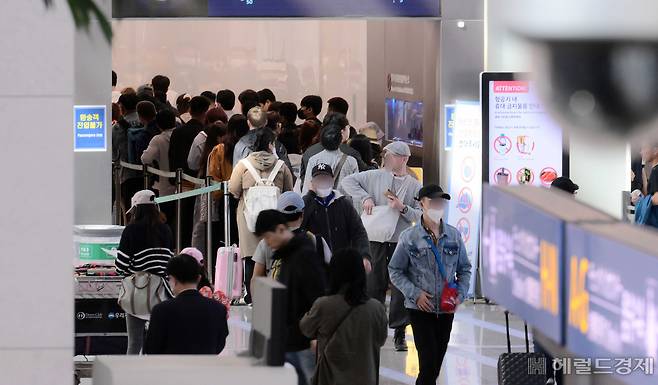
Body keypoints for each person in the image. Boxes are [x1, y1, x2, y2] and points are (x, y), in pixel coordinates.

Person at [341, 141, 422, 352]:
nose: (387, 159)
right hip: (375, 238)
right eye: (386, 155)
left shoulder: (414, 186)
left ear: (404, 159)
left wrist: (403, 208)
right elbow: (347, 182)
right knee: (373, 283)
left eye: (392, 156)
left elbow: (421, 214)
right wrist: (365, 197)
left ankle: (399, 331)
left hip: (400, 241)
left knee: (400, 286)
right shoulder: (374, 176)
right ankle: (371, 327)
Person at [388, 184, 472, 385]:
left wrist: (459, 295)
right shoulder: (409, 237)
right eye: (433, 201)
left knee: (435, 365)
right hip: (420, 310)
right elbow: (395, 270)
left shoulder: (453, 235)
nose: (438, 205)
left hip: (445, 310)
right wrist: (415, 293)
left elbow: (465, 269)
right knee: (427, 364)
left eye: (441, 202)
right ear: (422, 203)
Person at [254, 210, 326, 385]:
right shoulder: (288, 256)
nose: (267, 243)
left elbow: (317, 297)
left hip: (303, 342)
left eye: (267, 237)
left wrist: (316, 335)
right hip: (289, 340)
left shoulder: (304, 256)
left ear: (280, 229)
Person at [300, 248, 387, 385]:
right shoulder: (377, 308)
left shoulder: (324, 305)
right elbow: (380, 339)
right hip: (365, 377)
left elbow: (306, 328)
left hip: (330, 378)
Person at [229, 128, 294, 304]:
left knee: (250, 256)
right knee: (275, 256)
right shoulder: (281, 166)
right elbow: (289, 191)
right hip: (276, 220)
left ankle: (251, 296)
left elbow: (233, 189)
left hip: (248, 218)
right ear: (271, 145)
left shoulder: (243, 165)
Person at [115, 190, 175, 355]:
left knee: (134, 343)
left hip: (137, 292)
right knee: (159, 342)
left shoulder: (131, 231)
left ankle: (129, 378)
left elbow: (121, 265)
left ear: (136, 209)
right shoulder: (166, 230)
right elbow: (170, 261)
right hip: (161, 293)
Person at [144, 254, 229, 355]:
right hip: (206, 368)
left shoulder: (161, 310)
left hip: (170, 368)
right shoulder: (218, 309)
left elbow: (151, 349)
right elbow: (219, 344)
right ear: (198, 278)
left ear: (173, 280)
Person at [251, 191, 332, 290]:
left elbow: (256, 278)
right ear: (302, 215)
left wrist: (260, 304)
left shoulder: (266, 241)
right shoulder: (316, 240)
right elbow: (331, 271)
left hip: (276, 300)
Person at [302, 163, 370, 267]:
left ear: (333, 180)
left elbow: (358, 232)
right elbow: (299, 226)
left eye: (326, 179)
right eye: (319, 180)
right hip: (316, 267)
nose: (322, 183)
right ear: (312, 183)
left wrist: (364, 255)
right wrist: (310, 195)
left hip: (342, 265)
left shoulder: (344, 204)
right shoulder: (307, 203)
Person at [169, 95, 211, 248]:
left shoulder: (178, 131)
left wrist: (174, 180)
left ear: (190, 110)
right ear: (205, 112)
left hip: (182, 184)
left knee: (182, 220)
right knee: (197, 222)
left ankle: (181, 248)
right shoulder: (204, 135)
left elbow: (172, 157)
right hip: (201, 185)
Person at [299, 113, 368, 191]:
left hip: (317, 200)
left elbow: (304, 184)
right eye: (348, 127)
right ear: (342, 131)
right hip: (344, 201)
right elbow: (360, 184)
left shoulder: (309, 152)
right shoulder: (351, 155)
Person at [141, 109, 178, 234]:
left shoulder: (158, 139)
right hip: (183, 185)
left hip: (164, 186)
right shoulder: (180, 134)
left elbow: (145, 158)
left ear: (158, 124)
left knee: (164, 217)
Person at [232, 106, 292, 172]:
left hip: (247, 180)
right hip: (272, 180)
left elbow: (236, 171)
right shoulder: (276, 145)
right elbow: (287, 171)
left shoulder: (241, 144)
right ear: (266, 122)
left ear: (248, 122)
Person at [113, 93, 144, 218]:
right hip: (147, 174)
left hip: (126, 174)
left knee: (128, 210)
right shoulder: (145, 122)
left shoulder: (117, 127)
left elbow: (114, 153)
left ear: (122, 107)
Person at [187, 107, 228, 175]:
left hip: (205, 180)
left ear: (207, 121)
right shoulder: (229, 139)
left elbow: (192, 164)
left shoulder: (200, 139)